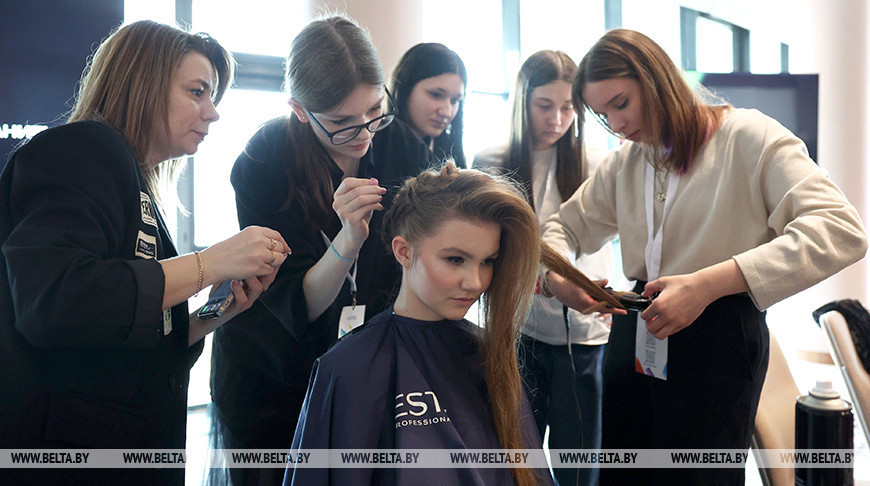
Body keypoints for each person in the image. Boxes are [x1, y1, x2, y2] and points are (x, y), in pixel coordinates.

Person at [541, 29, 867, 485]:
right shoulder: (627, 161)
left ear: (656, 80)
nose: (615, 124)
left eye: (621, 103)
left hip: (719, 334)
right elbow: (560, 228)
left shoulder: (749, 137)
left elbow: (841, 229)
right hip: (637, 324)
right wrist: (561, 277)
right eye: (602, 114)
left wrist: (708, 284)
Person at [0, 20, 290, 486]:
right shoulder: (77, 149)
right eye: (197, 91)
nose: (212, 113)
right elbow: (56, 300)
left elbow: (131, 341)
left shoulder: (138, 188)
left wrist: (215, 313)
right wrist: (209, 262)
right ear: (145, 83)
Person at [208, 15, 436, 486]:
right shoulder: (265, 160)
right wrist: (348, 240)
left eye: (374, 110)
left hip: (362, 370)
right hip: (272, 375)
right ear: (299, 109)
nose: (363, 133)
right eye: (340, 122)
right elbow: (295, 302)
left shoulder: (400, 145)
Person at [286, 162, 553, 486]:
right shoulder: (346, 368)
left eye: (488, 261)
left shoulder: (491, 356)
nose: (475, 282)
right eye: (455, 259)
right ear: (404, 251)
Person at [474, 50, 611, 486]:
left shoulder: (597, 162)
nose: (557, 119)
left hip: (585, 336)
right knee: (516, 459)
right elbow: (496, 250)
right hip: (520, 332)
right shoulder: (492, 161)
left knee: (578, 466)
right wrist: (547, 283)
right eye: (544, 106)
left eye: (569, 107)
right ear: (522, 101)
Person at [389, 42, 467, 167]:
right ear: (405, 88)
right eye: (436, 95)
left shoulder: (448, 150)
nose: (447, 112)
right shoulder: (374, 144)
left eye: (454, 101)